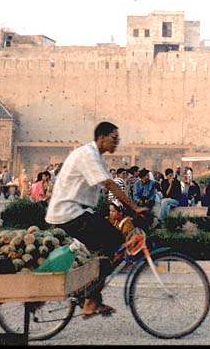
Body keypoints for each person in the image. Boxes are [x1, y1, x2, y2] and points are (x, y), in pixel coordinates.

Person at [45, 121, 147, 319]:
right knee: (114, 243)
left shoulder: (96, 157)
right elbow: (109, 185)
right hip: (69, 212)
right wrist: (134, 208)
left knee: (105, 248)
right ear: (101, 137)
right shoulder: (88, 155)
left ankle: (89, 297)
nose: (117, 142)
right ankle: (90, 300)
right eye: (114, 138)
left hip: (77, 212)